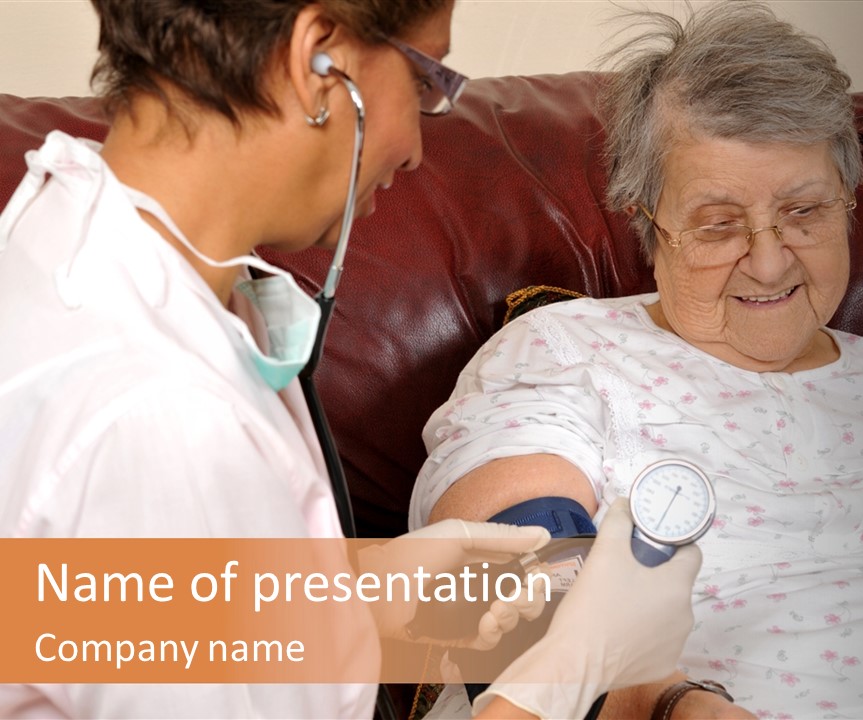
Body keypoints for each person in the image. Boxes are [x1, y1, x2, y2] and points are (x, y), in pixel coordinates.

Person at [0, 1, 705, 718]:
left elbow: (95, 611)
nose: (417, 149)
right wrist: (563, 670)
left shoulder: (64, 230)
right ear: (318, 59)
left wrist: (381, 595)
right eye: (425, 81)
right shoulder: (157, 417)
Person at [411, 2, 863, 719]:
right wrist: (669, 705)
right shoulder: (566, 350)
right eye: (718, 225)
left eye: (804, 213)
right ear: (647, 226)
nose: (767, 263)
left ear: (849, 202)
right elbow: (498, 586)